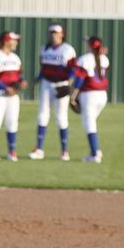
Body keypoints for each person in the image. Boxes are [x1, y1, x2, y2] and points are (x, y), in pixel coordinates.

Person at [30, 24, 76, 161]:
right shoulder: (44, 48)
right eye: (52, 32)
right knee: (42, 115)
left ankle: (64, 151)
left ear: (62, 34)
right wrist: (37, 79)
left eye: (56, 32)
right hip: (46, 84)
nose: (54, 35)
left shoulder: (67, 50)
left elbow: (73, 70)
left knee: (61, 117)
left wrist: (69, 84)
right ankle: (39, 149)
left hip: (61, 84)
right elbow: (43, 68)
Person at [0, 31, 27, 162]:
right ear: (7, 41)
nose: (16, 43)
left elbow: (19, 74)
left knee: (12, 122)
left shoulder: (15, 57)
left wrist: (22, 81)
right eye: (14, 40)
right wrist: (5, 87)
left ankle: (12, 152)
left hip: (13, 94)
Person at [71, 36, 110, 163]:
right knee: (89, 123)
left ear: (89, 46)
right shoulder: (104, 59)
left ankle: (95, 154)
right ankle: (95, 151)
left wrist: (73, 95)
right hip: (102, 95)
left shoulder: (85, 59)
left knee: (89, 124)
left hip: (89, 95)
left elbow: (80, 79)